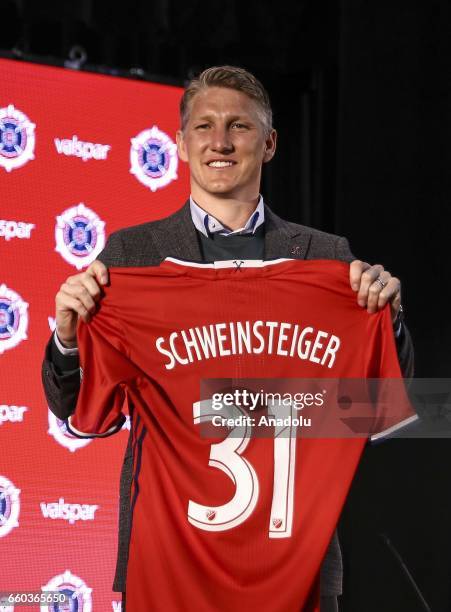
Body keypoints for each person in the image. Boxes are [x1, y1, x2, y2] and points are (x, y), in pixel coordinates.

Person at [42, 66, 413, 612]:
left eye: (238, 126)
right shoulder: (129, 257)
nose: (219, 141)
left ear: (269, 144)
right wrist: (68, 339)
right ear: (181, 144)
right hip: (168, 560)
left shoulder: (329, 257)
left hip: (298, 562)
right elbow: (80, 413)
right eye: (204, 127)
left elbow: (374, 410)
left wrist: (390, 320)